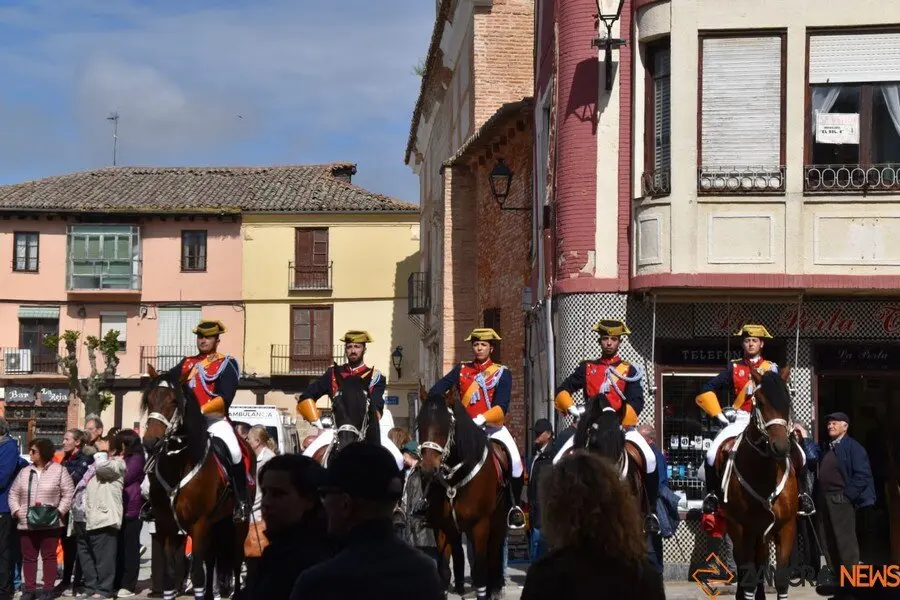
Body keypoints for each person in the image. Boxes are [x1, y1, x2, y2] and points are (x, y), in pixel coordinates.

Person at [291, 444, 443, 600]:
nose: (322, 505)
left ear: (345, 503)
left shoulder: (318, 583)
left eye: (324, 494)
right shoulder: (424, 573)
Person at [695, 324, 814, 523]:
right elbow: (709, 387)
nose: (751, 344)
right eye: (747, 341)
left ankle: (802, 495)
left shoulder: (772, 368)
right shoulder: (734, 368)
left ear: (761, 344)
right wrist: (718, 414)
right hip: (741, 418)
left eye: (754, 341)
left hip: (768, 420)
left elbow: (780, 397)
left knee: (799, 453)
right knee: (711, 452)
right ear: (743, 344)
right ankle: (713, 495)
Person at [551, 319, 660, 534]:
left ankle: (650, 511)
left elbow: (637, 400)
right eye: (606, 338)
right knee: (556, 460)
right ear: (600, 340)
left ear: (619, 342)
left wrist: (621, 420)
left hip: (621, 426)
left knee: (650, 458)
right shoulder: (588, 367)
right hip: (591, 427)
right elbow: (563, 389)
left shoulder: (629, 370)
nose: (609, 342)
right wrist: (572, 408)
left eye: (614, 339)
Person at [521, 451, 665, 600]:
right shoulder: (644, 575)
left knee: (649, 457)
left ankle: (651, 510)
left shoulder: (543, 576)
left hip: (631, 431)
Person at [429, 327, 526, 529]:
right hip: (464, 429)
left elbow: (502, 407)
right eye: (475, 344)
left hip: (492, 428)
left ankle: (514, 507)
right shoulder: (461, 370)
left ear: (491, 348)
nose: (479, 348)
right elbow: (436, 390)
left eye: (483, 344)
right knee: (436, 456)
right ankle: (429, 504)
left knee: (516, 463)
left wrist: (482, 418)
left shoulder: (501, 373)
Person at [165, 319, 248, 522]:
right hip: (187, 423)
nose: (203, 340)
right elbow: (167, 383)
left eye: (208, 337)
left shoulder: (226, 364)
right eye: (200, 336)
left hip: (214, 420)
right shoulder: (186, 363)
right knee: (160, 448)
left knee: (236, 452)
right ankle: (153, 499)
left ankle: (241, 501)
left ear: (217, 340)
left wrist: (200, 411)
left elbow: (225, 398)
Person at [297, 331, 403, 469]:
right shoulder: (333, 374)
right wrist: (315, 419)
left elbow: (377, 407)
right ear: (346, 350)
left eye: (357, 346)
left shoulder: (375, 377)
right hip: (337, 431)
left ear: (364, 349)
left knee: (399, 460)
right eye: (349, 347)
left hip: (367, 431)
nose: (353, 350)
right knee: (305, 460)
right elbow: (307, 395)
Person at [797, 413, 875, 587]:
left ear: (845, 426)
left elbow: (863, 475)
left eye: (834, 423)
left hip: (841, 499)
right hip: (823, 499)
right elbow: (811, 458)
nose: (830, 426)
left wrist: (847, 496)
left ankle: (852, 579)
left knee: (844, 541)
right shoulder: (826, 447)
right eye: (828, 424)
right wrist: (805, 436)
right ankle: (836, 576)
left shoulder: (854, 447)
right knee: (827, 540)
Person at [245, 454, 335, 600]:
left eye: (278, 494)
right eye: (265, 492)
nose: (266, 502)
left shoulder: (311, 562)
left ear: (310, 499)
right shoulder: (276, 552)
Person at [8, 438, 75, 600]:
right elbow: (13, 494)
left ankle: (47, 590)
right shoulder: (25, 472)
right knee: (29, 558)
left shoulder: (59, 470)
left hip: (51, 523)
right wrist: (17, 512)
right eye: (30, 450)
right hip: (27, 523)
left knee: (49, 557)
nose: (30, 453)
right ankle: (29, 590)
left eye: (33, 451)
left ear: (43, 452)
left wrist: (59, 512)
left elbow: (69, 492)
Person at [80, 436, 124, 600]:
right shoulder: (92, 466)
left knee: (104, 557)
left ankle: (104, 589)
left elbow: (103, 469)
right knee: (87, 556)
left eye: (104, 445)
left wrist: (102, 452)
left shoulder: (117, 463)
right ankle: (91, 587)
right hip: (86, 517)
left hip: (103, 517)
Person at [59, 428, 93, 597]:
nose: (63, 442)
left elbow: (74, 479)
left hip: (79, 509)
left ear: (77, 442)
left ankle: (78, 583)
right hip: (65, 509)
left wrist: (59, 481)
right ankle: (66, 580)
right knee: (67, 545)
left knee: (80, 546)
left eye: (67, 439)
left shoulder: (85, 459)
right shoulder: (65, 459)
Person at [111, 431, 144, 598]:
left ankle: (129, 584)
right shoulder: (124, 458)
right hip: (120, 507)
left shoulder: (137, 458)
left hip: (132, 508)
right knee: (119, 547)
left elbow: (126, 477)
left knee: (130, 547)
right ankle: (118, 581)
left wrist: (114, 466)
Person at [245, 426, 277, 584]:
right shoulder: (253, 457)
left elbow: (265, 490)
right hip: (252, 514)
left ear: (257, 442)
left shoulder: (268, 459)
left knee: (257, 557)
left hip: (260, 516)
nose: (246, 441)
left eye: (249, 439)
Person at [0, 419, 23, 600]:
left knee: (3, 550)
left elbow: (2, 476)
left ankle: (5, 589)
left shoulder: (8, 446)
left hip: (3, 507)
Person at [528, 419, 554, 562]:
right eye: (535, 432)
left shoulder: (552, 455)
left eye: (539, 433)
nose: (536, 435)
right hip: (534, 506)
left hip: (544, 509)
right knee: (534, 542)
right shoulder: (536, 452)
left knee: (539, 543)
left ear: (549, 434)